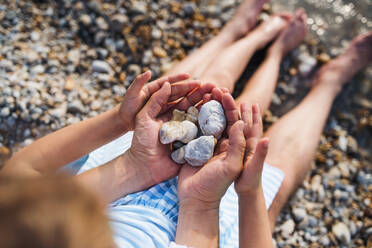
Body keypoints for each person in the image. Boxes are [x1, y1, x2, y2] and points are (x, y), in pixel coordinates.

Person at [1, 0, 372, 246]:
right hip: (197, 229)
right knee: (270, 165)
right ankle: (324, 79)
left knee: (195, 91)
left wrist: (120, 128)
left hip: (108, 180)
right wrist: (241, 195)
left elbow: (24, 169)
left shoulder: (21, 226)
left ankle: (240, 34)